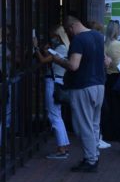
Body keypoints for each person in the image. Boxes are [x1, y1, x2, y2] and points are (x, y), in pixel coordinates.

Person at [52, 15, 106, 172]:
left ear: (71, 27)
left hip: (83, 86)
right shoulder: (98, 36)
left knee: (83, 125)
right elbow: (104, 60)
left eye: (68, 32)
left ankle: (90, 160)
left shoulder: (79, 40)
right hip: (99, 85)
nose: (69, 35)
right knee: (94, 124)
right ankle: (94, 155)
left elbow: (74, 65)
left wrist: (58, 60)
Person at [33, 25, 71, 159]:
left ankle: (61, 149)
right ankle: (64, 146)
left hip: (54, 83)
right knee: (57, 115)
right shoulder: (64, 48)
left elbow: (44, 60)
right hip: (59, 81)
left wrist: (36, 47)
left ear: (58, 36)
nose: (52, 39)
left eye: (54, 36)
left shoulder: (61, 48)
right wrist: (46, 50)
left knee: (53, 115)